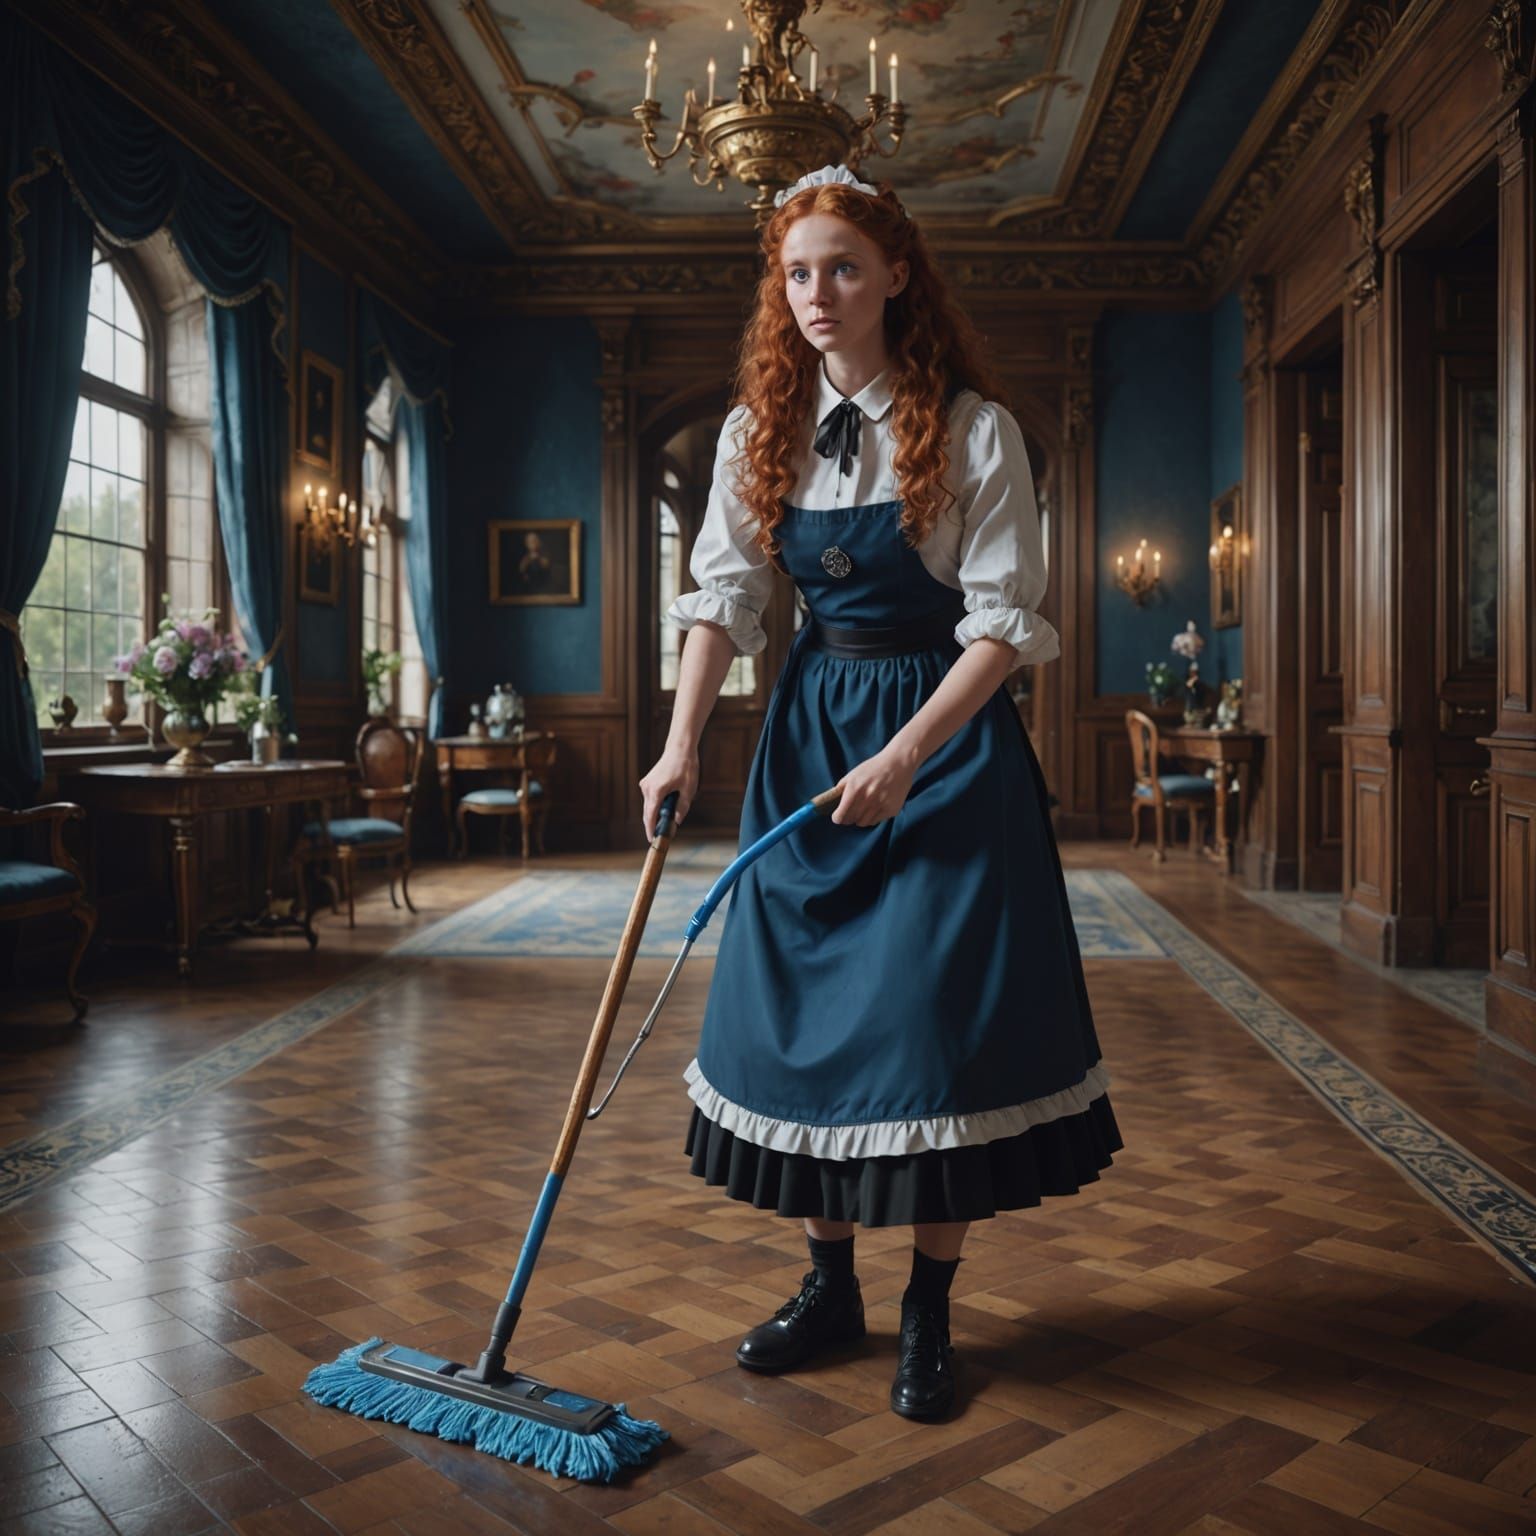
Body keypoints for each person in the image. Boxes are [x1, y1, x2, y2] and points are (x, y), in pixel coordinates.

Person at [638, 163, 1122, 1423]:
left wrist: (909, 754)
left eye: (842, 266)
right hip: (807, 744)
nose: (817, 293)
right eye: (796, 272)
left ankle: (928, 1309)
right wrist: (682, 743)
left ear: (897, 274)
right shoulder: (758, 432)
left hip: (944, 749)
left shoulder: (972, 429)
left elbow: (1004, 628)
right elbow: (726, 603)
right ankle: (829, 1285)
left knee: (929, 1037)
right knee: (798, 1036)